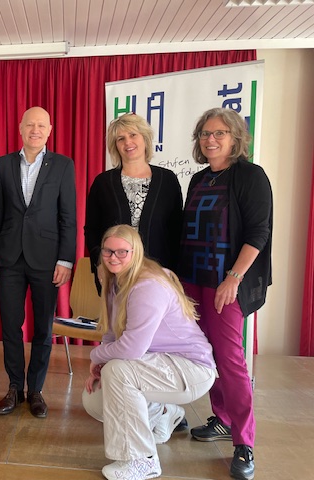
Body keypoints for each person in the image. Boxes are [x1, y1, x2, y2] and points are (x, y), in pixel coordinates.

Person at [179, 107, 273, 480]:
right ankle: (220, 417)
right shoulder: (199, 179)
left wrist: (233, 277)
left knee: (230, 358)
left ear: (235, 138)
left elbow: (258, 233)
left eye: (218, 133)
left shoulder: (251, 176)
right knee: (206, 354)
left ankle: (244, 442)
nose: (210, 139)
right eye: (204, 134)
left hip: (225, 284)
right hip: (193, 280)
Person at [82, 224, 216, 480]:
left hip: (191, 369)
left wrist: (97, 357)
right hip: (156, 364)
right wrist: (99, 364)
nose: (113, 257)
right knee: (94, 400)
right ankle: (164, 413)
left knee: (118, 373)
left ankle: (141, 460)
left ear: (136, 252)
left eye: (122, 252)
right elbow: (112, 333)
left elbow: (131, 349)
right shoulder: (115, 281)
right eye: (108, 251)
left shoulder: (147, 286)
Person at [0, 106, 77, 418]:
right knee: (11, 326)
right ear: (20, 128)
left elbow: (68, 217)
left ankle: (35, 390)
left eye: (41, 126)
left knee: (42, 328)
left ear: (49, 130)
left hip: (47, 260)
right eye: (30, 125)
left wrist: (66, 259)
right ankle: (14, 387)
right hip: (9, 258)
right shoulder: (4, 164)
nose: (35, 130)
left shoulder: (63, 166)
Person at [85, 113, 182, 292]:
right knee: (117, 320)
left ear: (145, 138)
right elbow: (92, 229)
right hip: (115, 275)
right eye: (120, 138)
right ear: (115, 146)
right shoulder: (103, 183)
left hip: (158, 276)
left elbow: (176, 231)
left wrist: (174, 276)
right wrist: (99, 262)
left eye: (133, 135)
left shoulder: (167, 180)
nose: (127, 142)